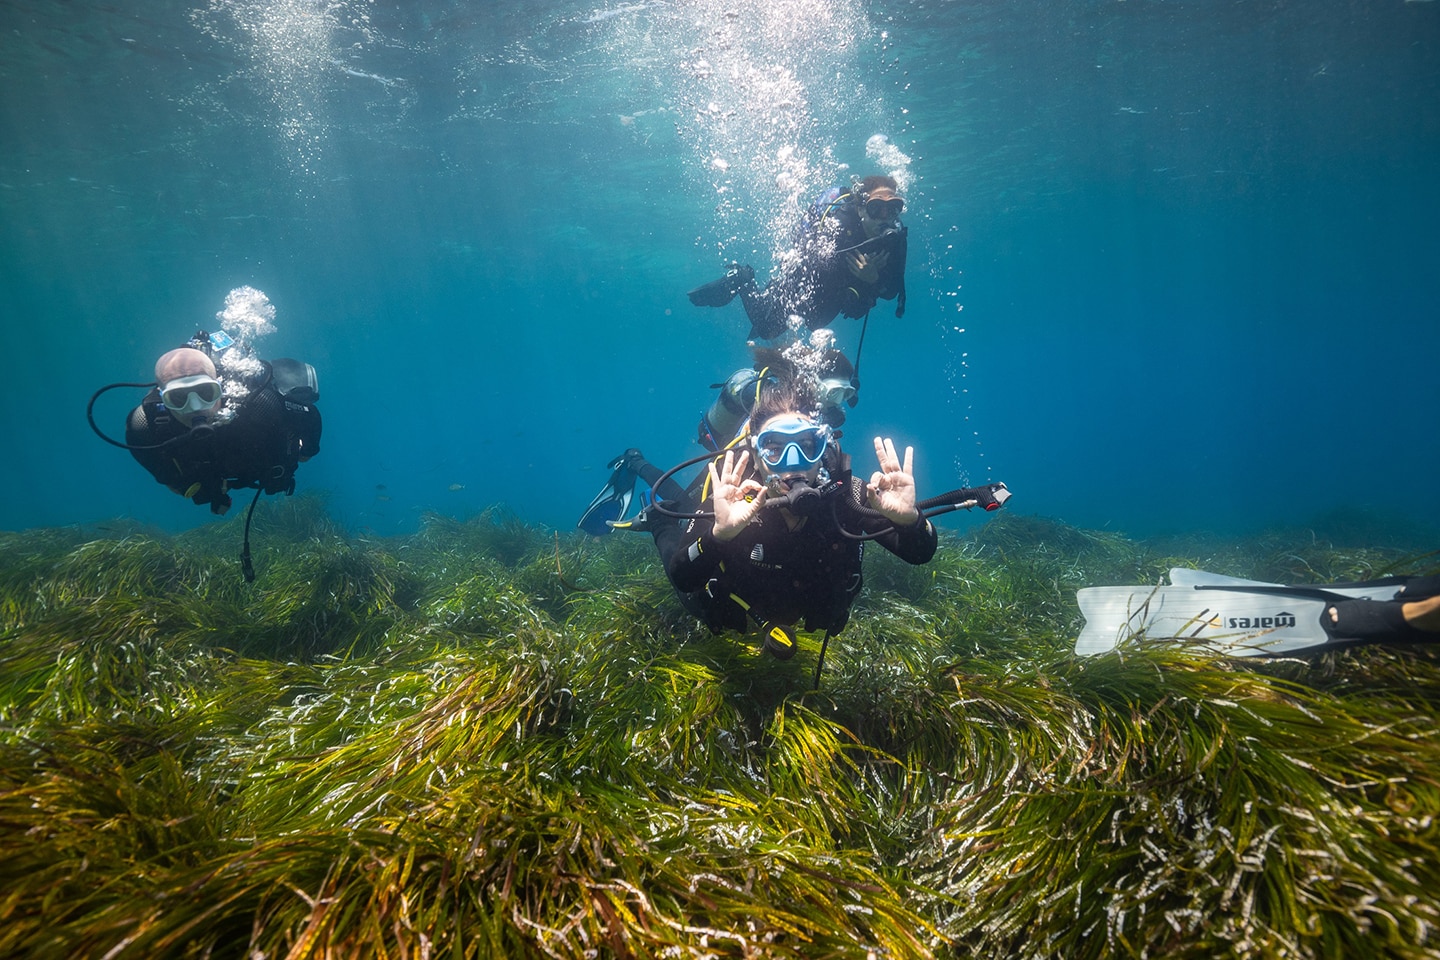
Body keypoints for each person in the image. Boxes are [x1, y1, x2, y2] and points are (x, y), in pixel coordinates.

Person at [584, 373, 942, 661]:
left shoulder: (850, 495)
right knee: (676, 530)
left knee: (682, 504)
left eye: (807, 446)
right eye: (774, 448)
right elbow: (683, 577)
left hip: (799, 607)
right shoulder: (735, 497)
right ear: (755, 455)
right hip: (733, 605)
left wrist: (909, 520)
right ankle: (654, 510)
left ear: (825, 449)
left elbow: (920, 552)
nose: (792, 464)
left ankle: (648, 481)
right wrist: (719, 535)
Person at [688, 174, 909, 342]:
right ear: (861, 208)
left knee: (816, 324)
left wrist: (870, 279)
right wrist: (860, 278)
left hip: (838, 294)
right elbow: (816, 266)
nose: (885, 217)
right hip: (806, 279)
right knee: (766, 329)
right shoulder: (840, 226)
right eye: (876, 208)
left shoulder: (895, 239)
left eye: (893, 208)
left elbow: (893, 291)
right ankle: (743, 278)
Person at [122, 342, 321, 517]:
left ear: (220, 387)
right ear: (163, 399)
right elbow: (170, 481)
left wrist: (306, 451)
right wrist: (206, 489)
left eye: (205, 392)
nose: (195, 407)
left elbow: (309, 415)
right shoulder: (143, 427)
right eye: (178, 398)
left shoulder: (260, 404)